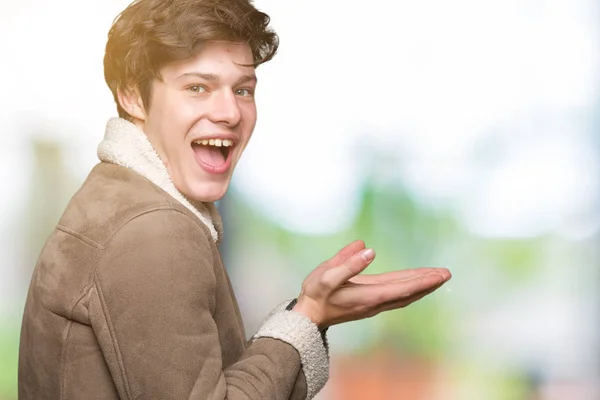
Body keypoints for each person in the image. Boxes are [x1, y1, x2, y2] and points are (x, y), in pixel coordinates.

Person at [17, 0, 451, 399]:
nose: (230, 113)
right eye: (198, 88)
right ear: (133, 96)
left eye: (243, 89)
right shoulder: (151, 229)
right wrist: (308, 317)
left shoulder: (119, 200)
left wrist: (309, 311)